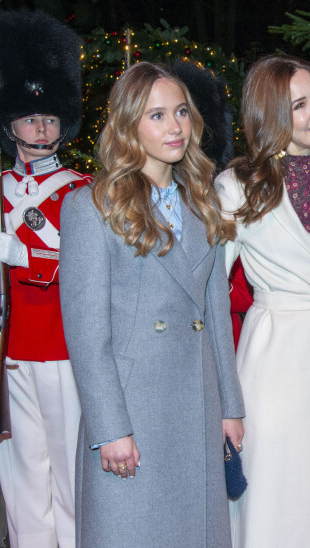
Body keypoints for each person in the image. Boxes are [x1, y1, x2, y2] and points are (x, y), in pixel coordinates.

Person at [59, 62, 244, 546]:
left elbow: (217, 314)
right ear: (128, 124)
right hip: (133, 408)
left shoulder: (202, 201)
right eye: (157, 115)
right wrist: (109, 427)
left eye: (181, 112)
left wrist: (231, 405)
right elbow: (86, 335)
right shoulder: (91, 207)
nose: (176, 126)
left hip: (197, 402)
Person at [215, 54, 310, 547]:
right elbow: (208, 294)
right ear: (272, 117)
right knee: (272, 500)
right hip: (271, 366)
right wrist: (221, 397)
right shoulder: (236, 185)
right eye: (298, 105)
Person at [0, 11, 89, 547]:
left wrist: (25, 257)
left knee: (69, 470)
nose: (41, 128)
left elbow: (87, 267)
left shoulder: (82, 190)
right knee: (21, 470)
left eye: (50, 118)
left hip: (61, 345)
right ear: (11, 126)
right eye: (30, 119)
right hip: (7, 350)